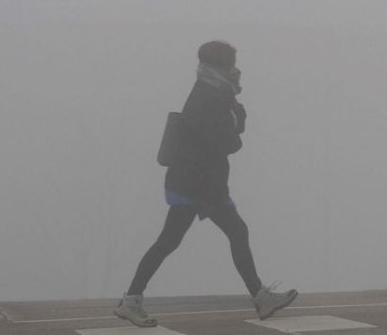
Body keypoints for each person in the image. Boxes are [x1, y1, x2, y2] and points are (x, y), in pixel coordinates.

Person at [115, 40, 297, 327]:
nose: (237, 69)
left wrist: (235, 118)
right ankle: (261, 297)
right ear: (222, 67)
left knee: (172, 240)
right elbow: (227, 141)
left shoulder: (213, 91)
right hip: (199, 184)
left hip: (194, 181)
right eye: (232, 64)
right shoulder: (209, 97)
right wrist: (236, 122)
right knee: (231, 232)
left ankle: (131, 300)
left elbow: (230, 127)